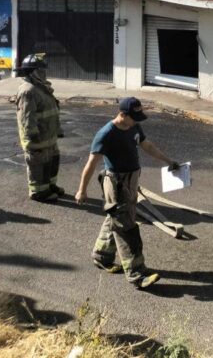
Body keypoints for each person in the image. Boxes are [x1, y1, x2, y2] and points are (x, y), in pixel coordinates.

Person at [75, 97, 179, 289]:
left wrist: (168, 160)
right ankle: (136, 274)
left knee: (114, 218)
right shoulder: (106, 134)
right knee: (126, 228)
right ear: (122, 115)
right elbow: (91, 163)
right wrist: (82, 189)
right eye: (134, 117)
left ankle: (101, 256)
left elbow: (147, 145)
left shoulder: (134, 127)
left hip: (131, 180)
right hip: (116, 183)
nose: (137, 121)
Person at [15, 53, 64, 202]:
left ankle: (49, 186)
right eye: (40, 70)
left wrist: (58, 130)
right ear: (32, 72)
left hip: (48, 135)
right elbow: (26, 116)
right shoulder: (28, 90)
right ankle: (38, 192)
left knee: (52, 161)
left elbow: (52, 111)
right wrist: (32, 134)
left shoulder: (41, 87)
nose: (43, 73)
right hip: (37, 137)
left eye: (44, 71)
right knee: (38, 165)